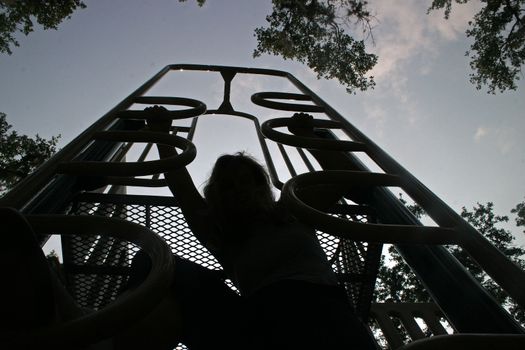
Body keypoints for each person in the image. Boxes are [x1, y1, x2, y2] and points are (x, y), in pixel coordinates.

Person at [147, 108, 379, 350]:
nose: (239, 189)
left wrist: (307, 136)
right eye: (228, 185)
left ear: (260, 186)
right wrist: (160, 133)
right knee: (153, 261)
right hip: (261, 319)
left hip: (324, 309)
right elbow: (181, 185)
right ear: (217, 195)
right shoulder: (219, 230)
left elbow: (345, 177)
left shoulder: (292, 209)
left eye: (246, 181)